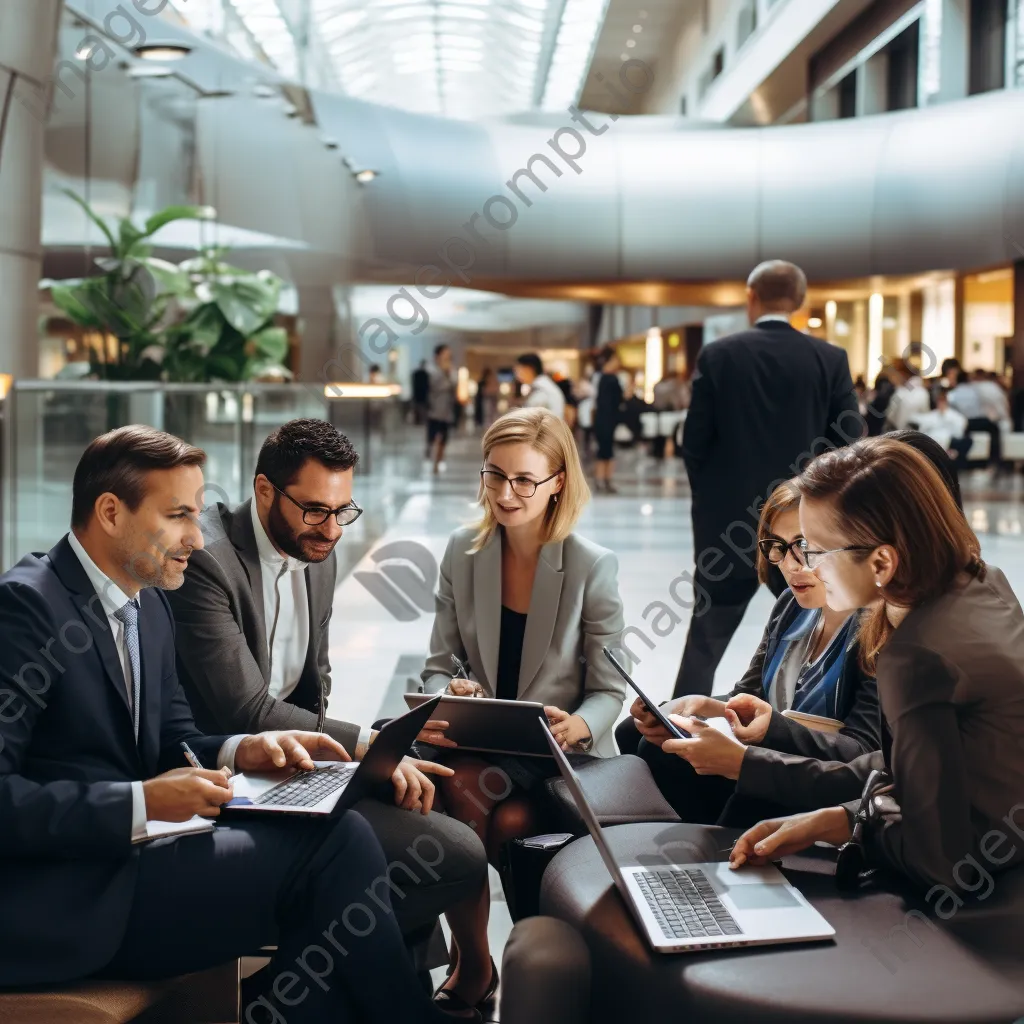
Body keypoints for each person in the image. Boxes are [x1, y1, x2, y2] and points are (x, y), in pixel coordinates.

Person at [0, 425, 466, 1024]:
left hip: (140, 863)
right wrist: (141, 803)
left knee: (339, 847)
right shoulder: (27, 608)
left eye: (196, 514)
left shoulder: (147, 605)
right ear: (111, 512)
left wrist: (245, 749)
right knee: (335, 856)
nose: (197, 537)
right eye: (177, 516)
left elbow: (175, 741)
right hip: (68, 897)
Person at [164, 418, 493, 1000]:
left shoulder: (318, 545)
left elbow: (314, 679)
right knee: (448, 851)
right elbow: (244, 707)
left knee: (425, 792)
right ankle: (351, 989)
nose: (333, 529)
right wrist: (361, 745)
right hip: (226, 770)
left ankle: (384, 985)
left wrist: (344, 765)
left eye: (344, 511)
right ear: (265, 491)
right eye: (316, 509)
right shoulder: (208, 560)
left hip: (291, 763)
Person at [729, 437, 1024, 896]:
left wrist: (853, 830)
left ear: (883, 560)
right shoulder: (981, 582)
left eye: (817, 550)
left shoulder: (915, 654)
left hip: (983, 889)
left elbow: (941, 862)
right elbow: (916, 767)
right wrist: (838, 817)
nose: (806, 566)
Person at [420, 408, 626, 868]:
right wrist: (448, 693)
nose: (505, 493)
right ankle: (471, 943)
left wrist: (579, 726)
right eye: (495, 475)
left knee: (510, 820)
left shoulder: (590, 565)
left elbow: (610, 689)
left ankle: (486, 940)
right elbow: (437, 667)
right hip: (483, 741)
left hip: (558, 751)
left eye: (524, 480)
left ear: (558, 481)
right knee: (452, 787)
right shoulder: (463, 550)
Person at [626, 478, 880, 827]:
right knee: (645, 736)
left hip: (811, 780)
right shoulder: (792, 605)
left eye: (803, 545)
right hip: (773, 755)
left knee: (668, 757)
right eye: (777, 546)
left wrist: (767, 733)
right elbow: (750, 694)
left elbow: (862, 754)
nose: (790, 565)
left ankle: (704, 860)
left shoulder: (877, 627)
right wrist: (703, 706)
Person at [677, 260, 862, 698]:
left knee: (706, 636)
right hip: (808, 529)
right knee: (821, 623)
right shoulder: (828, 358)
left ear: (751, 298)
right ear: (799, 301)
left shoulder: (719, 355)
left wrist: (713, 500)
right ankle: (810, 721)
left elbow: (694, 443)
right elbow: (849, 442)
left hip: (729, 524)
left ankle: (673, 727)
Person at [593, 346, 623, 493]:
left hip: (601, 419)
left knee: (603, 451)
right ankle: (605, 479)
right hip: (608, 420)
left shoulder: (600, 378)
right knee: (607, 451)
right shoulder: (611, 379)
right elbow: (616, 402)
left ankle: (601, 480)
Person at [917, 386, 971, 468]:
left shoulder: (954, 415)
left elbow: (959, 429)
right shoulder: (932, 415)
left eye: (943, 401)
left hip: (950, 439)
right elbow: (924, 427)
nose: (941, 404)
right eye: (939, 401)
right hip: (934, 439)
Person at [427, 344, 458, 475]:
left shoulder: (451, 370)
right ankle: (432, 459)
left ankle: (438, 461)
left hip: (447, 411)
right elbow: (432, 385)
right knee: (433, 438)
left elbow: (455, 384)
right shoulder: (432, 370)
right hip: (434, 409)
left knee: (444, 438)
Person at [515, 353, 566, 419]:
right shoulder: (545, 385)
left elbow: (528, 418)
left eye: (518, 370)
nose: (517, 375)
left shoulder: (541, 390)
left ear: (529, 369)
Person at [884, 361, 931, 431]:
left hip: (902, 435)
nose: (891, 380)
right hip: (920, 435)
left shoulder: (900, 393)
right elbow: (927, 415)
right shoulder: (923, 391)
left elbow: (890, 416)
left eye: (893, 375)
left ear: (901, 374)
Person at [412, 359, 430, 425]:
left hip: (420, 394)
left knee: (420, 408)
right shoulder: (424, 374)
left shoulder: (419, 374)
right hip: (421, 394)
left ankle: (419, 420)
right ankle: (420, 420)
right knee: (420, 408)